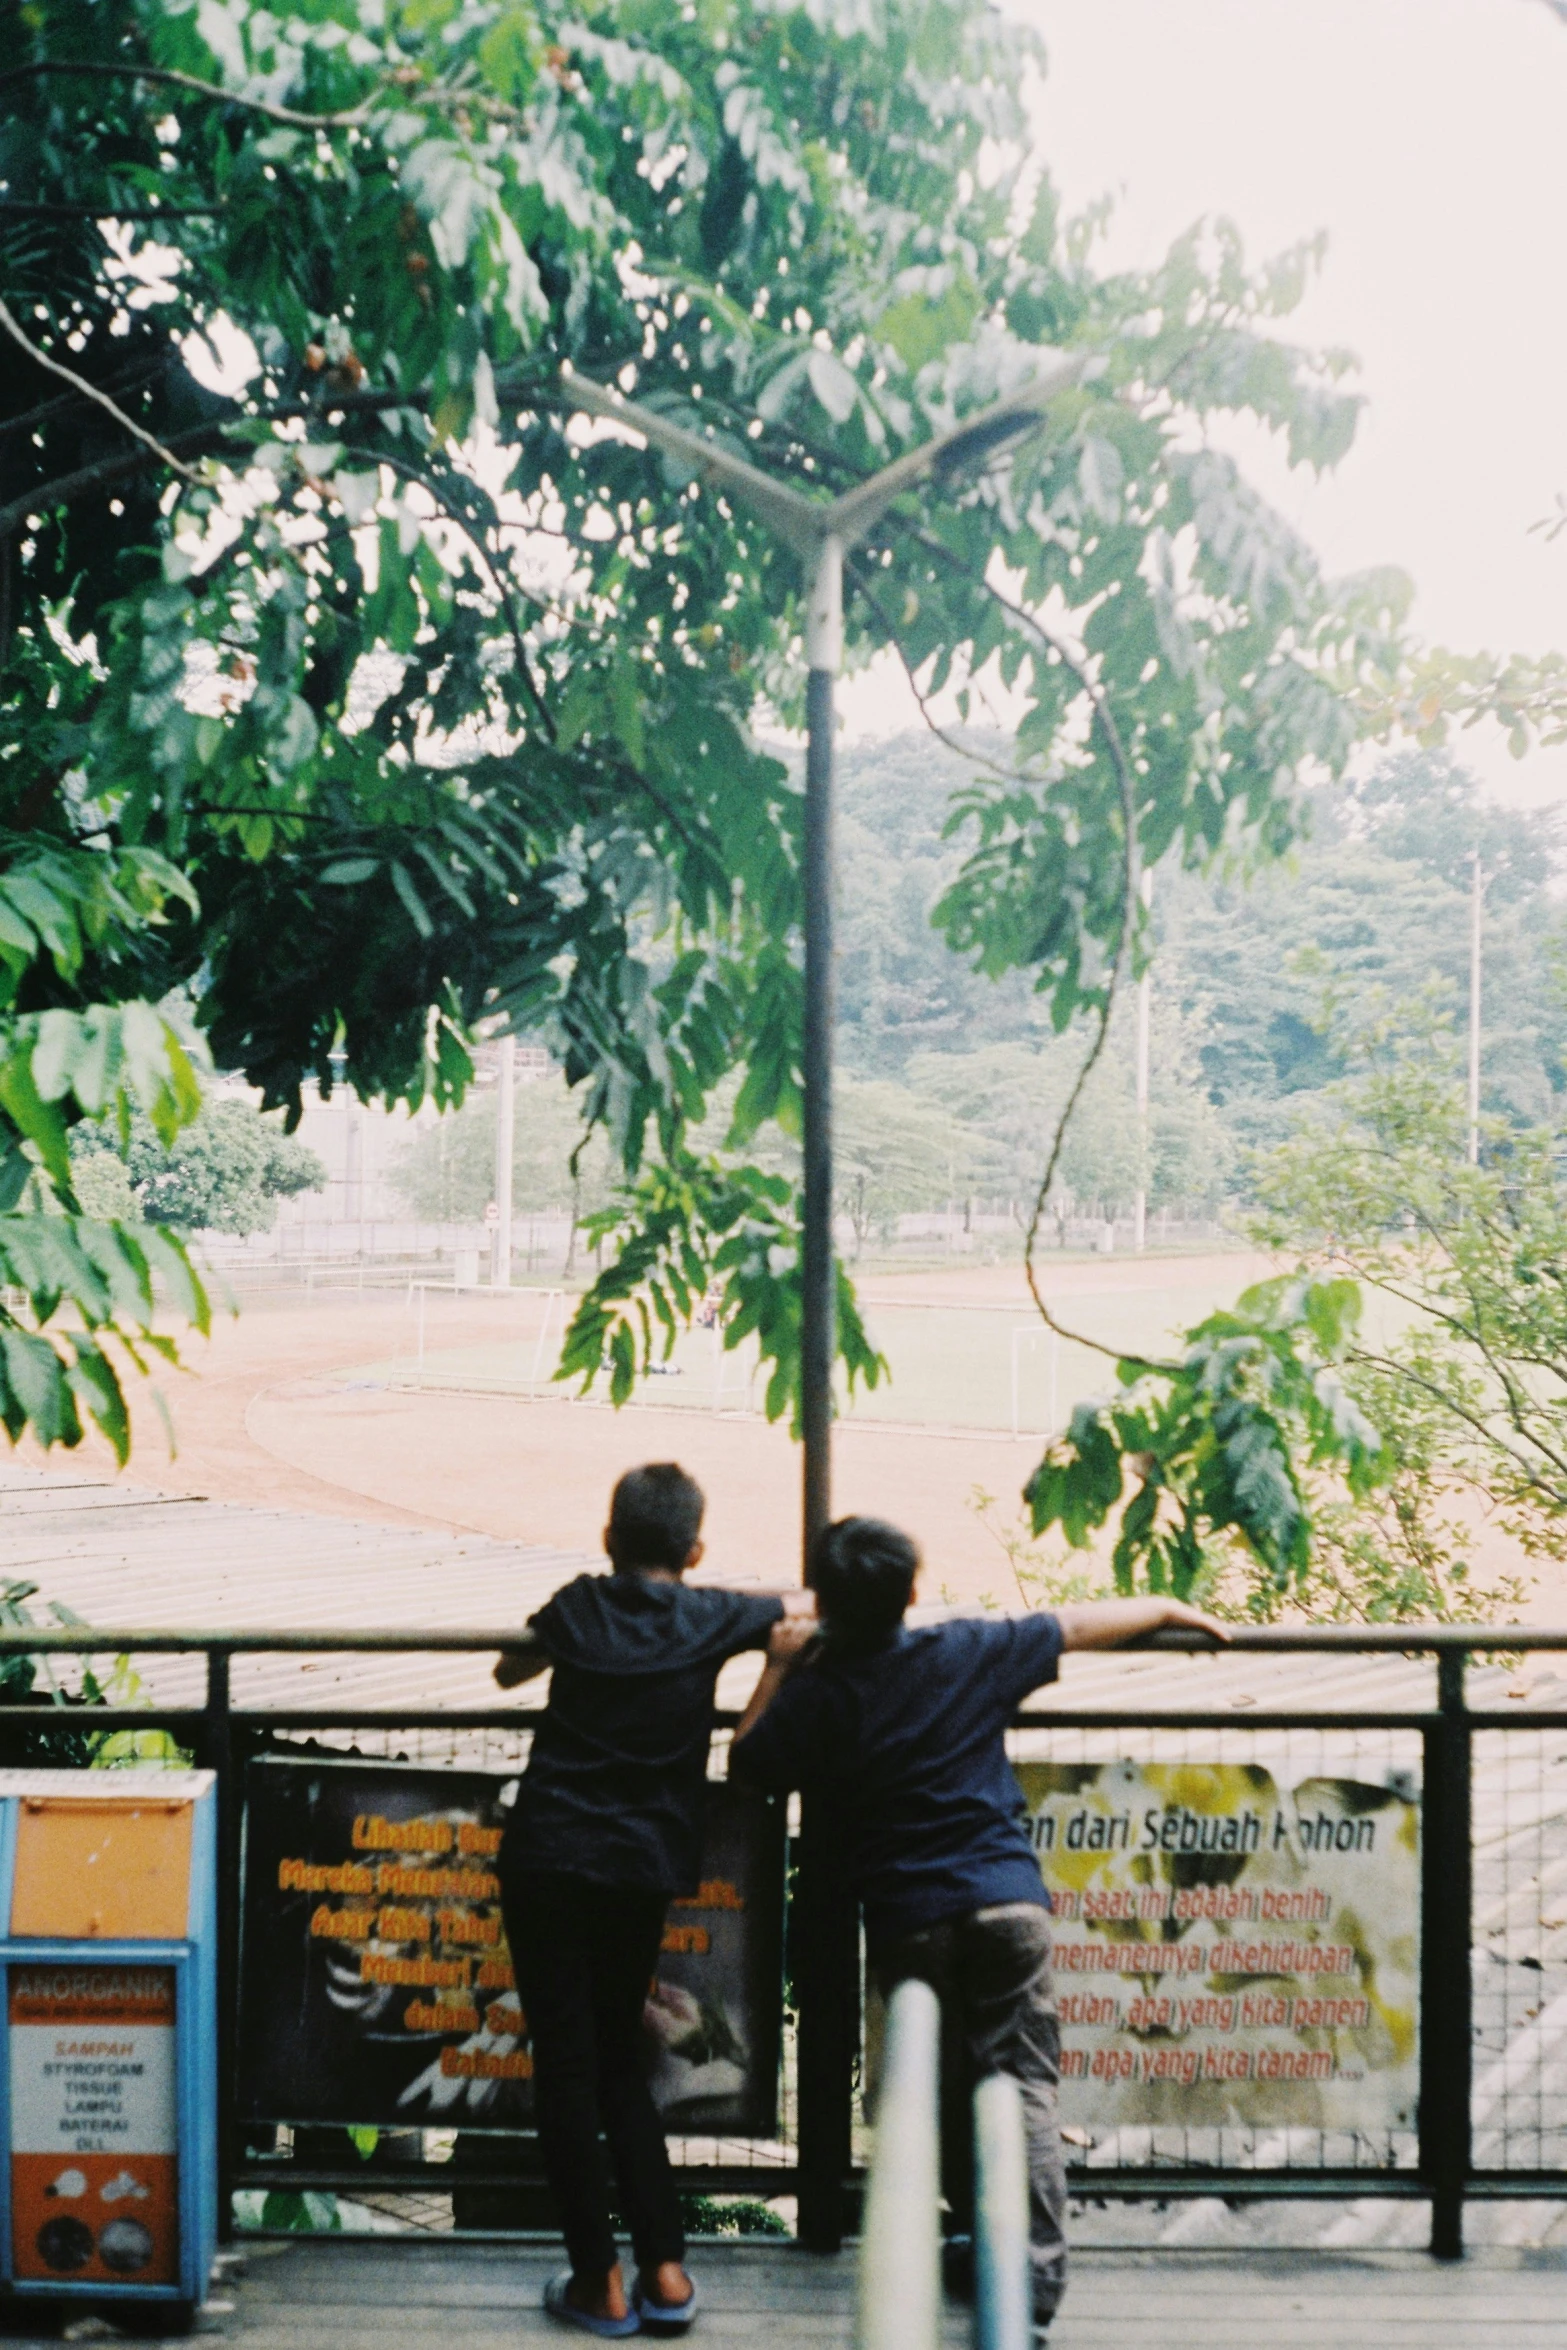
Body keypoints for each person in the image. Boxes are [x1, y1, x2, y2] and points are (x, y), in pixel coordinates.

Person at [729, 1516, 1226, 2338]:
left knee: (937, 2085)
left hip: (907, 1920)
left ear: (824, 1599)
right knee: (1021, 2086)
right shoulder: (964, 1650)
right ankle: (1024, 2290)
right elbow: (1076, 1623)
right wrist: (1168, 1601)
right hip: (1006, 1904)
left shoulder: (819, 1691)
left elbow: (747, 1769)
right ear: (910, 1593)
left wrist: (778, 1666)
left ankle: (970, 2240)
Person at [494, 1463, 814, 2338]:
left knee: (563, 2067)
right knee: (616, 2062)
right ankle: (666, 2272)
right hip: (639, 1866)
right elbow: (803, 1606)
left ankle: (596, 2281)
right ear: (696, 1549)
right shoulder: (712, 1614)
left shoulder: (577, 1605)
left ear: (608, 1539)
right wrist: (771, 1645)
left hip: (548, 1853)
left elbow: (505, 1672)